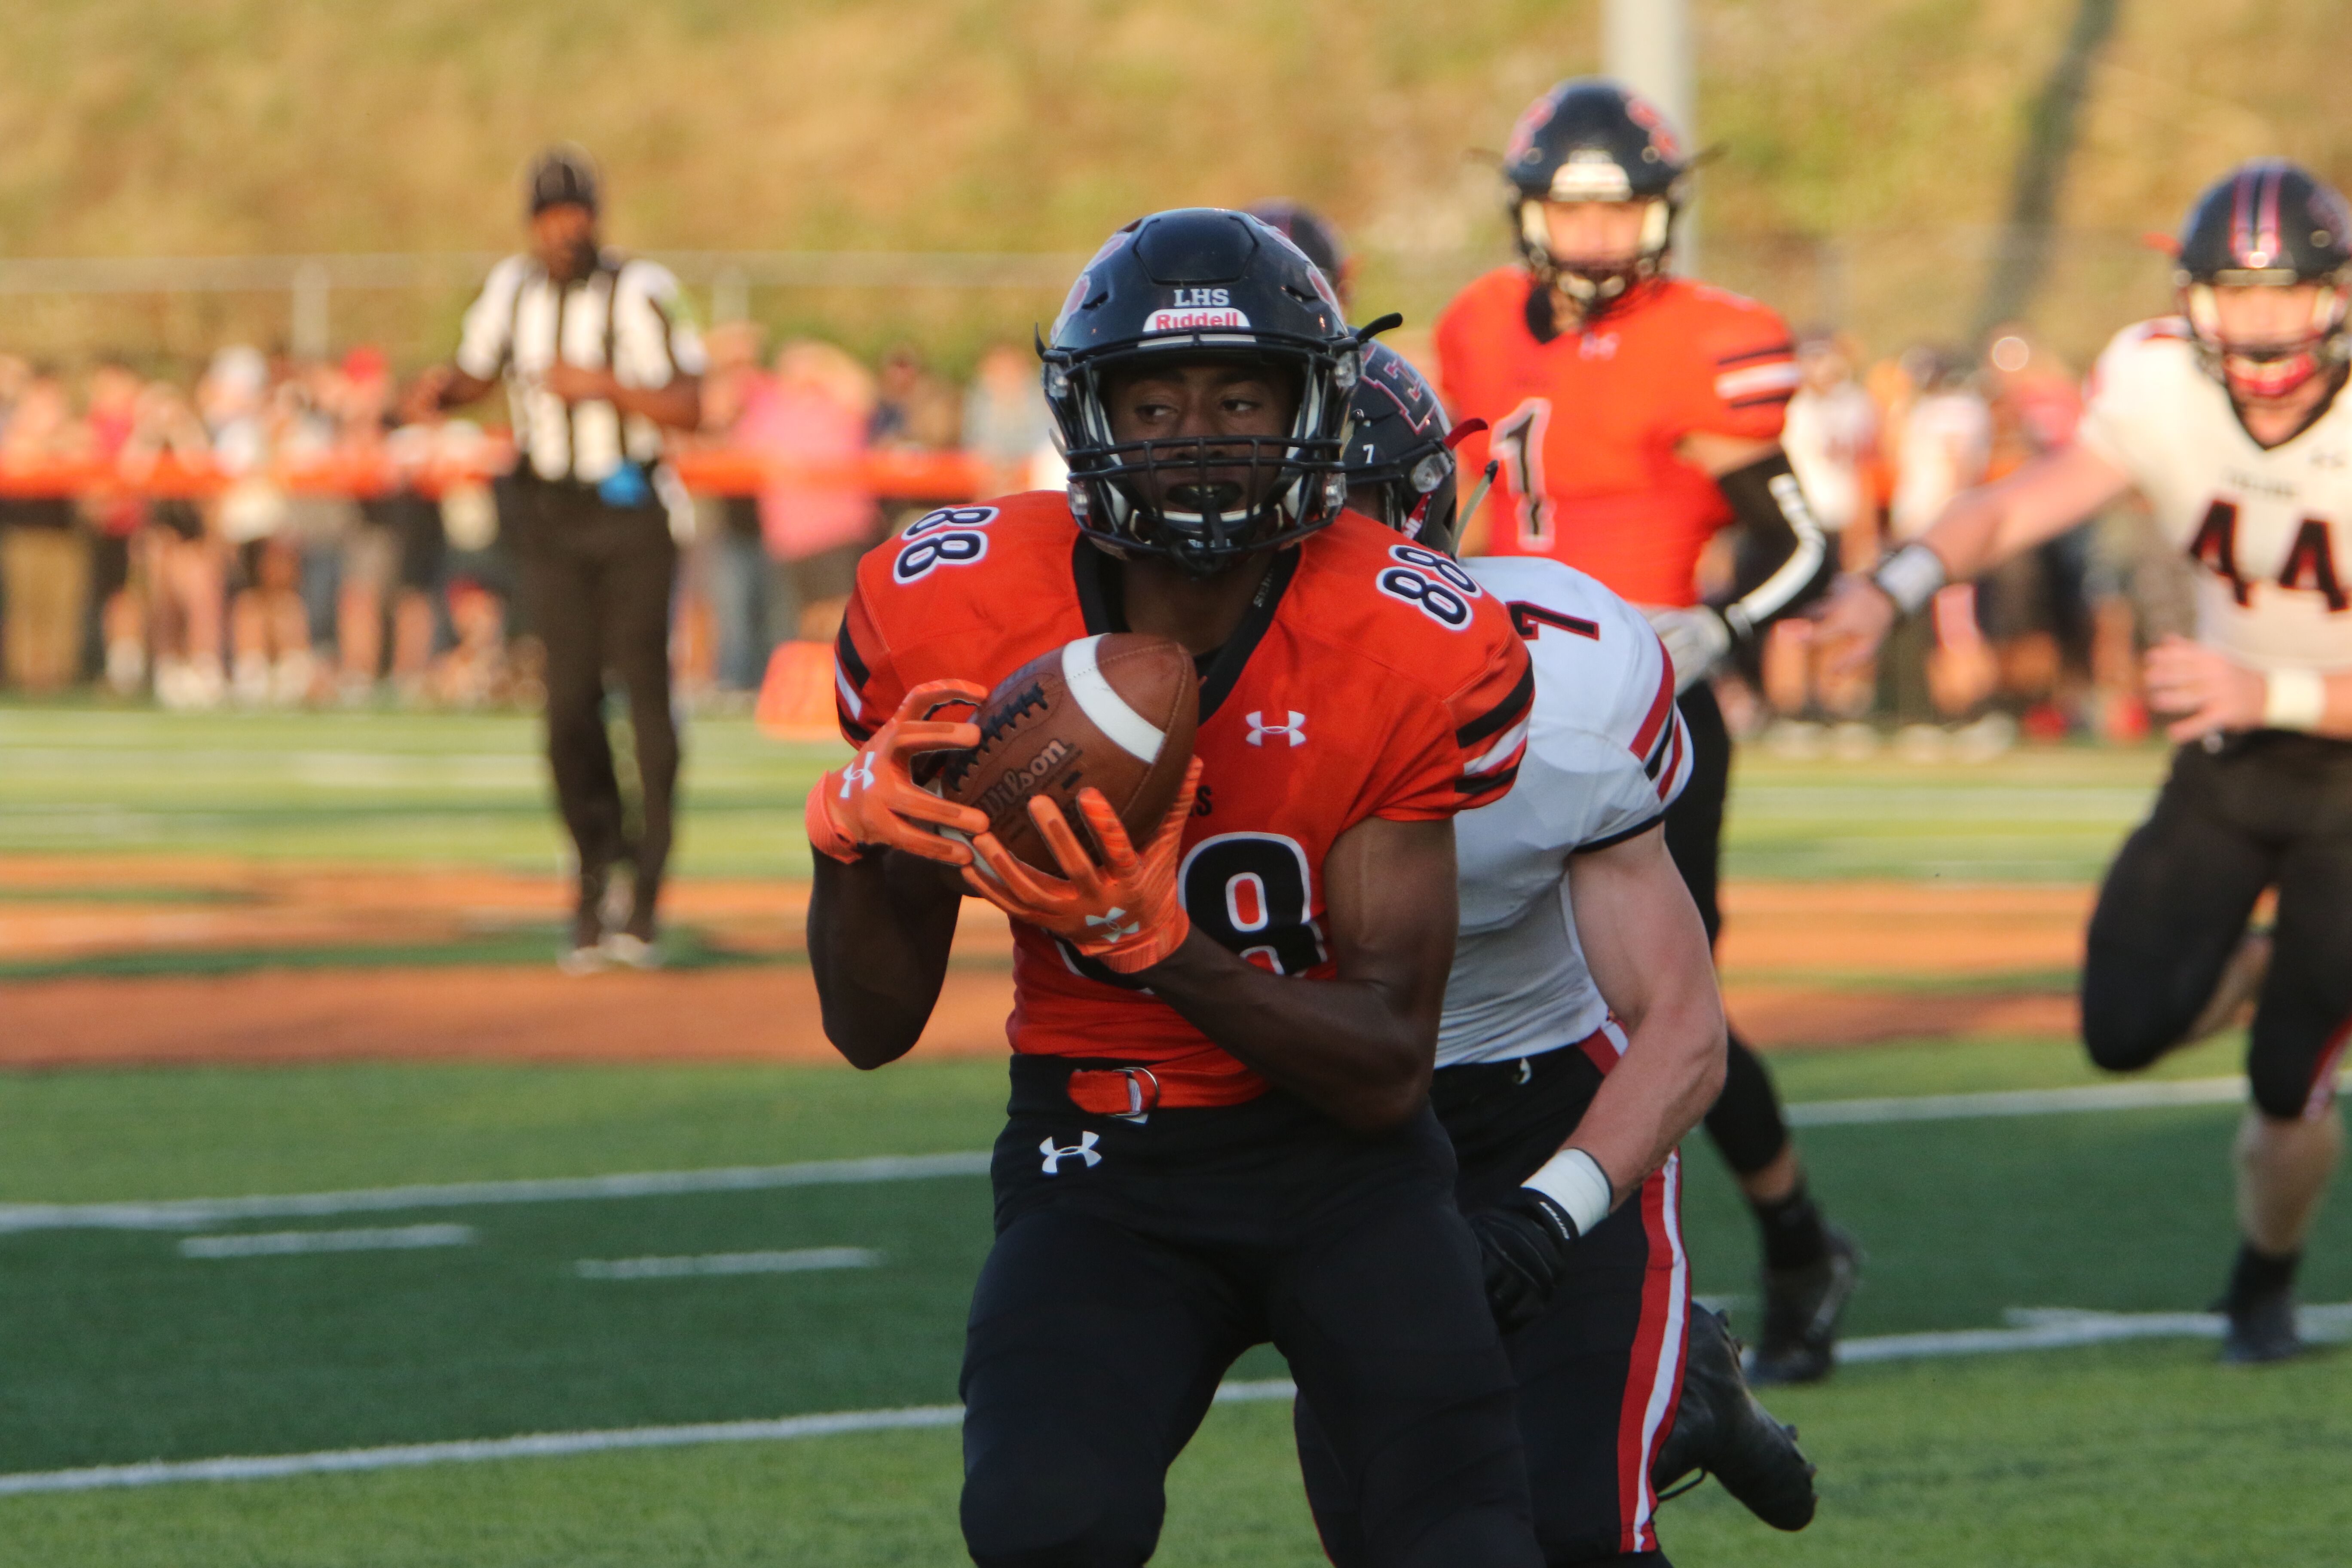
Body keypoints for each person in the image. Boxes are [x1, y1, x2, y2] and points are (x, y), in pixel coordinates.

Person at [808, 207, 1545, 1567]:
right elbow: (870, 1029)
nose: (1197, 439)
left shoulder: (1405, 638)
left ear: (1311, 410)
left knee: (1466, 1542)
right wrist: (849, 843)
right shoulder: (955, 606)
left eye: (1240, 400)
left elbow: (1388, 1070)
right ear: (1092, 416)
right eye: (1154, 404)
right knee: (1044, 1524)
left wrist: (1163, 947)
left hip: (1347, 1175)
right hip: (1102, 1154)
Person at [1817, 159, 2352, 1364]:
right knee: (2119, 1027)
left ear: (2335, 297)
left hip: (2342, 780)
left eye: (2287, 292)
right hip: (2229, 753)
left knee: (2287, 1083)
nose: (2263, 325)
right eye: (2237, 294)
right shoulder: (2161, 382)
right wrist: (1892, 586)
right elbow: (2018, 506)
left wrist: (2270, 688)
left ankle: (2260, 1291)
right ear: (2192, 299)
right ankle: (2268, 969)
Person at [1291, 342, 1817, 1566]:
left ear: (1420, 514)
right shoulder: (1166, 680)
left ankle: (1664, 1376)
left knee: (1573, 1532)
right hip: (1336, 1124)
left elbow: (1681, 1024)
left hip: (1543, 1099)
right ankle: (1678, 1387)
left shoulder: (1566, 670)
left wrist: (1554, 1211)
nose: (1302, 556)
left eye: (1336, 516)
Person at [1435, 76, 1857, 1384]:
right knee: (1473, 981)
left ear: (1664, 216)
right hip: (1494, 699)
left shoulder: (1707, 341)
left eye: (1621, 212)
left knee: (1658, 1001)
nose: (1597, 237)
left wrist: (1718, 627)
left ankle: (1784, 1243)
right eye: (1574, 210)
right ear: (1528, 212)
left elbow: (1805, 543)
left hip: (1645, 708)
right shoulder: (1471, 327)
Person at [407, 144, 704, 972]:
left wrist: (604, 386)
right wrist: (440, 392)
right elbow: (477, 371)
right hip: (550, 515)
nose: (563, 230)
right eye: (549, 216)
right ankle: (593, 865)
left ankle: (646, 891)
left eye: (575, 214)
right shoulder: (512, 289)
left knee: (646, 698)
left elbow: (692, 403)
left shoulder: (641, 289)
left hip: (632, 510)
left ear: (596, 217)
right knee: (566, 704)